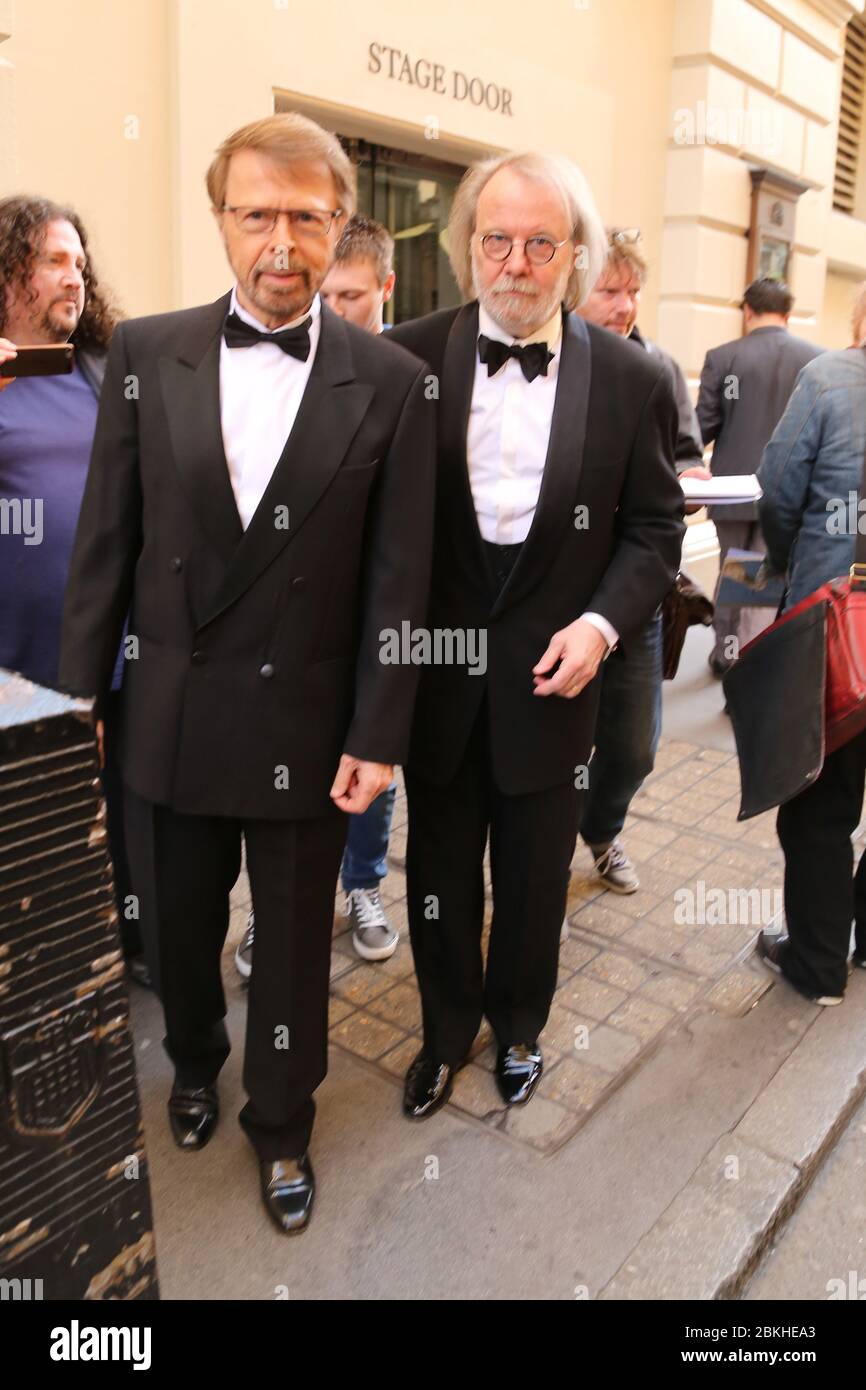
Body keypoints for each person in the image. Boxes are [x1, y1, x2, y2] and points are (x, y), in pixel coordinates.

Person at [59, 112, 435, 1234]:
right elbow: (104, 538)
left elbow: (398, 581)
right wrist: (83, 698)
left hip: (308, 722)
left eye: (305, 217)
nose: (280, 240)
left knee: (287, 946)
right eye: (256, 213)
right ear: (221, 218)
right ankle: (190, 1062)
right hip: (167, 706)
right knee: (176, 928)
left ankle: (280, 1121)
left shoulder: (393, 379)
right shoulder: (145, 351)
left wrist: (378, 731)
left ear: (338, 227)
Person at [389, 152, 684, 1119]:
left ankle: (518, 1028)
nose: (514, 263)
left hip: (558, 684)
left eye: (539, 244)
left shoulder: (631, 378)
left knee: (530, 878)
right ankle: (442, 1032)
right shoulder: (409, 356)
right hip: (437, 684)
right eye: (496, 240)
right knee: (435, 872)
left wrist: (602, 628)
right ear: (470, 247)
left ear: (573, 257)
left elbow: (653, 528)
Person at [234, 214, 400, 982]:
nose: (333, 312)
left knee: (365, 763)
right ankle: (273, 911)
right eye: (324, 296)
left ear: (383, 290)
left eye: (351, 297)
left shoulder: (400, 376)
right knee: (277, 787)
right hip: (275, 622)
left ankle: (364, 886)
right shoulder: (267, 361)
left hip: (364, 622)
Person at [0, 195, 148, 985]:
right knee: (47, 815)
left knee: (129, 808)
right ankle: (54, 966)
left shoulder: (102, 366)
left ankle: (134, 944)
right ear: (10, 269)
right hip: (24, 650)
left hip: (122, 636)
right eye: (55, 260)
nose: (75, 277)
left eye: (81, 263)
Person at [575, 227, 704, 892]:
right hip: (558, 596)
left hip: (638, 596)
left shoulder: (658, 368)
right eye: (609, 290)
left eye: (632, 292)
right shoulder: (553, 364)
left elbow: (686, 453)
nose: (623, 305)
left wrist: (695, 482)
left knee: (632, 746)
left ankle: (601, 828)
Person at [755, 283, 866, 1006]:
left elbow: (777, 489)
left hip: (839, 631)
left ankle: (820, 962)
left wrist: (791, 567)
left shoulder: (828, 379)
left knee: (820, 807)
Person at [696, 277, 822, 675]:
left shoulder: (723, 356)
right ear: (788, 314)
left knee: (732, 568)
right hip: (786, 490)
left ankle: (725, 654)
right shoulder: (815, 360)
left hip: (732, 491)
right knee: (763, 576)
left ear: (747, 311)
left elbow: (701, 429)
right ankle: (748, 663)